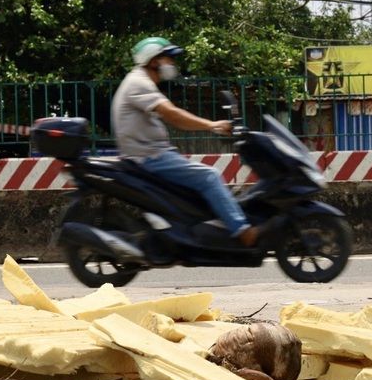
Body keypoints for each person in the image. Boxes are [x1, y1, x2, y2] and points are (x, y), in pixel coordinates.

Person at [110, 36, 263, 247]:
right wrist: (212, 125)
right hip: (149, 157)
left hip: (152, 154)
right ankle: (242, 231)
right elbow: (173, 115)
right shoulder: (139, 83)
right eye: (168, 59)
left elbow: (175, 120)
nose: (172, 64)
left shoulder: (141, 82)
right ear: (154, 60)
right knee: (209, 177)